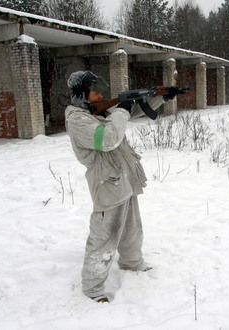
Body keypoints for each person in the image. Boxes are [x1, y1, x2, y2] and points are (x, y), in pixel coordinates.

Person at [65, 71, 179, 303]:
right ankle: (93, 288)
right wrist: (122, 109)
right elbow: (108, 139)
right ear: (82, 95)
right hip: (106, 183)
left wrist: (161, 98)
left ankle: (131, 263)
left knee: (131, 228)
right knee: (104, 236)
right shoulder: (78, 119)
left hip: (123, 176)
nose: (100, 95)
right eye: (95, 91)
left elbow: (131, 113)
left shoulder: (99, 110)